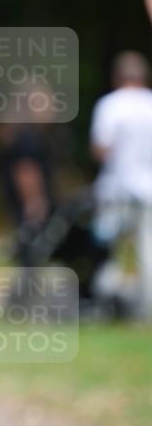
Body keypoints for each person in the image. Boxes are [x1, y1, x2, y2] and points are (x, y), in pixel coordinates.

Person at [90, 51, 152, 319]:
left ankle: (106, 306)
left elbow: (101, 148)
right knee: (147, 251)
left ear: (117, 77)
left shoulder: (110, 105)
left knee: (108, 250)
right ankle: (147, 309)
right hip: (148, 188)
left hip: (116, 188)